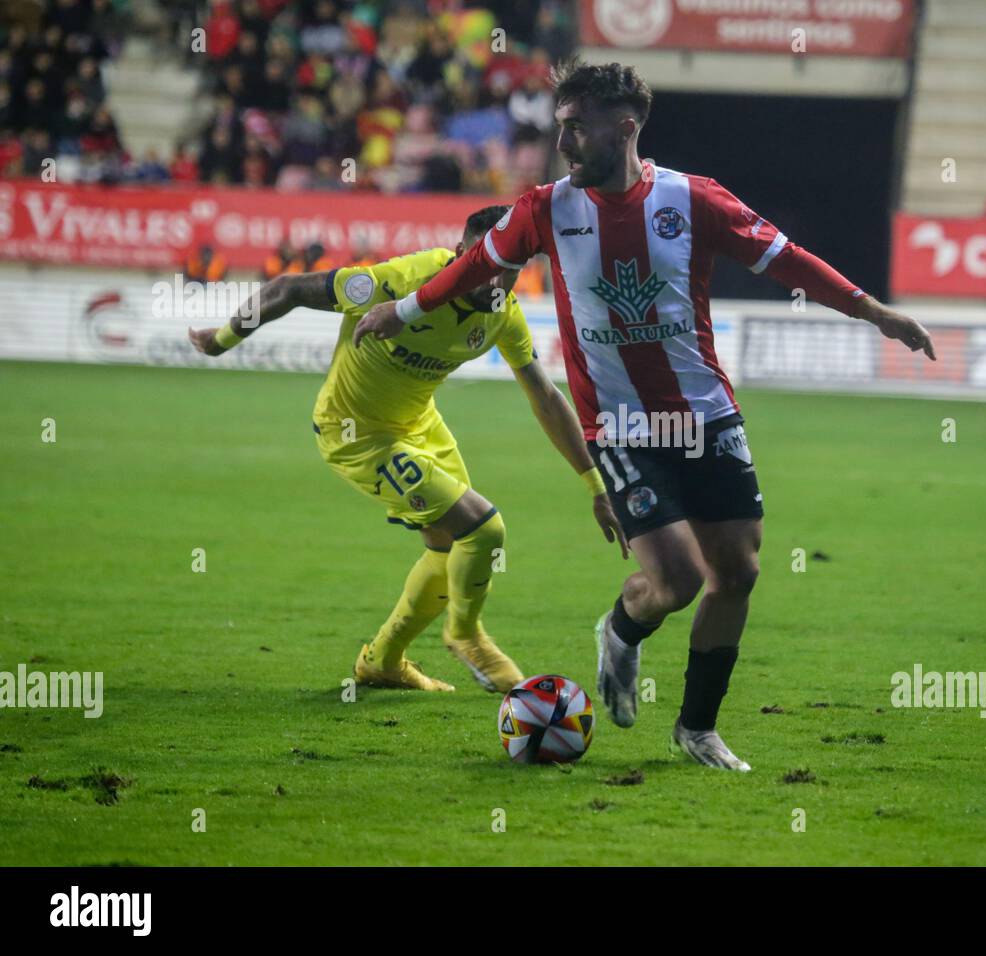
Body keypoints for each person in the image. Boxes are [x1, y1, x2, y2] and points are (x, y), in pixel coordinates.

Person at [352, 61, 934, 771]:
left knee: (738, 573)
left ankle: (697, 728)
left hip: (706, 414)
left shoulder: (695, 200)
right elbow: (474, 265)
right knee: (677, 581)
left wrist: (874, 312)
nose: (562, 142)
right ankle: (623, 630)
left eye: (576, 127)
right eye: (559, 126)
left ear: (624, 127)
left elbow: (788, 261)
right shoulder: (544, 209)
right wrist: (404, 308)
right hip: (620, 426)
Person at [188, 205, 627, 693]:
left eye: (510, 268)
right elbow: (288, 289)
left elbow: (545, 396)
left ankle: (382, 661)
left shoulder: (504, 315)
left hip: (420, 427)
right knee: (483, 529)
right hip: (357, 433)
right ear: (461, 255)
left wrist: (596, 486)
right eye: (486, 264)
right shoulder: (399, 282)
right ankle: (465, 633)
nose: (497, 281)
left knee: (449, 546)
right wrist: (222, 340)